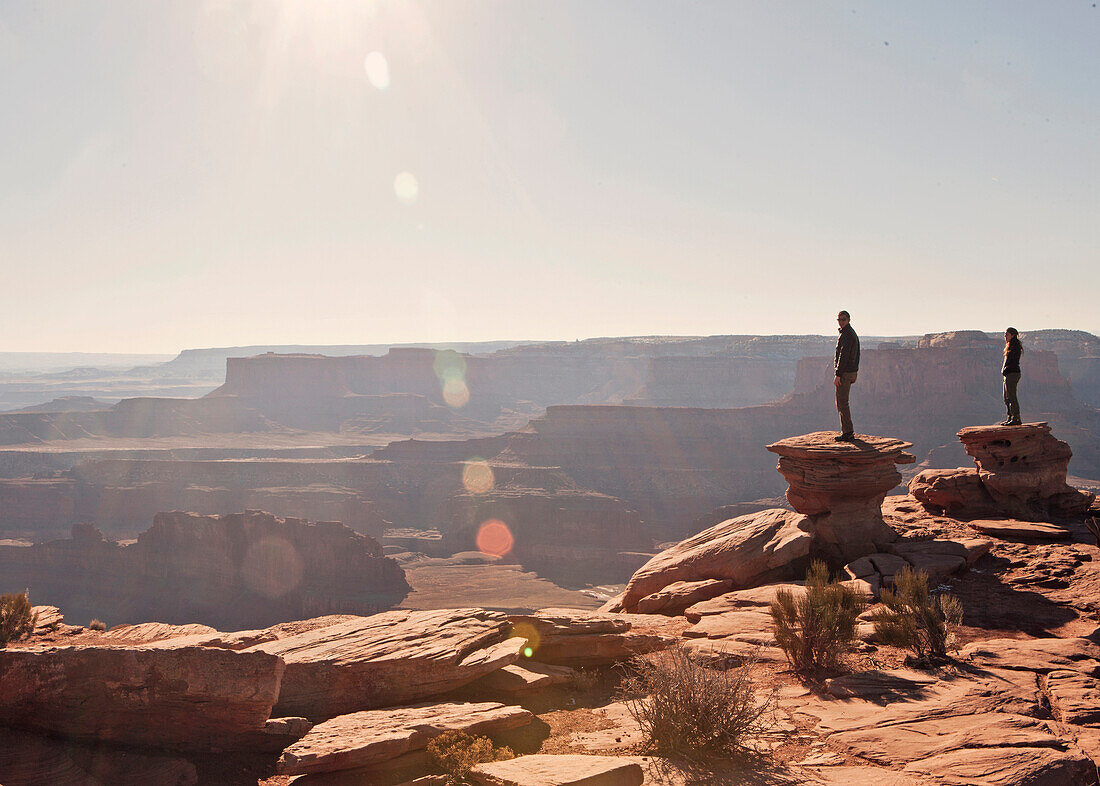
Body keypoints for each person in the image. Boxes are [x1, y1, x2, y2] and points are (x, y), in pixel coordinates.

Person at [834, 310, 860, 441]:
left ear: (849, 319)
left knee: (842, 402)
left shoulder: (847, 335)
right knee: (843, 402)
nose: (841, 321)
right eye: (839, 319)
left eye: (843, 319)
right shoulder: (850, 333)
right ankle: (847, 431)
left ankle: (847, 432)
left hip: (845, 373)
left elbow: (843, 356)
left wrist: (838, 374)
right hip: (851, 371)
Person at [1001, 327, 1022, 426]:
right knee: (1006, 397)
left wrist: (1006, 369)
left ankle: (1016, 418)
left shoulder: (1015, 346)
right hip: (1008, 374)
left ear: (1012, 335)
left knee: (1012, 396)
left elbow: (1012, 362)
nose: (1005, 336)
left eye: (1007, 334)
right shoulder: (1009, 346)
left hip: (1012, 374)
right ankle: (1010, 417)